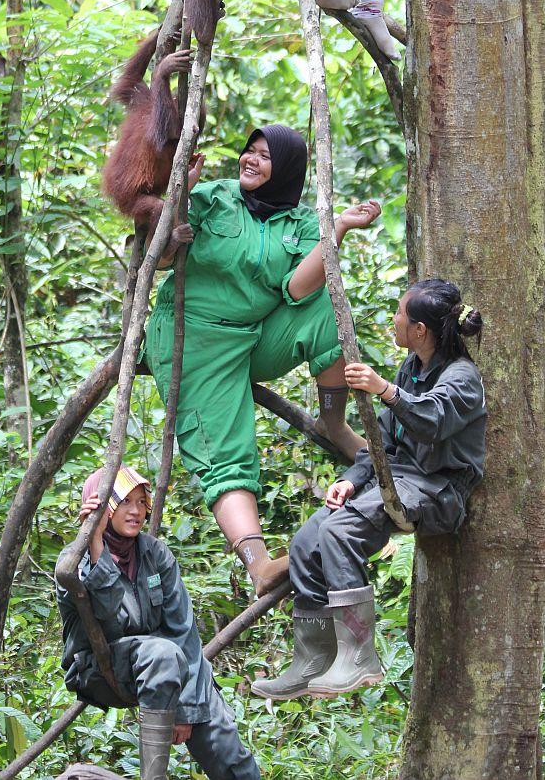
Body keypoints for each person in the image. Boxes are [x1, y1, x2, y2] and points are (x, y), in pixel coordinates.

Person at [143, 123, 382, 597]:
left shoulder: (299, 221)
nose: (250, 160)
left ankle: (334, 424)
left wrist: (338, 229)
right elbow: (161, 258)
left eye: (265, 156)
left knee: (327, 302)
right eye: (248, 151)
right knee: (226, 451)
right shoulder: (213, 197)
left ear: (287, 170)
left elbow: (298, 289)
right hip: (195, 339)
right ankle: (258, 563)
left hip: (254, 339)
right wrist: (180, 192)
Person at [251, 279, 486, 700]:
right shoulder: (409, 370)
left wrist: (385, 391)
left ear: (420, 330)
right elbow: (383, 444)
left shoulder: (462, 377)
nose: (394, 320)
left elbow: (432, 423)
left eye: (400, 313)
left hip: (437, 489)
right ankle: (312, 659)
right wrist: (350, 480)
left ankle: (357, 657)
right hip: (394, 478)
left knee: (340, 534)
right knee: (307, 540)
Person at [55, 464, 260, 780]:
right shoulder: (72, 562)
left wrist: (185, 708)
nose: (136, 511)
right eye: (125, 502)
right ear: (103, 507)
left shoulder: (155, 553)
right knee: (163, 654)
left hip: (163, 668)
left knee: (216, 725)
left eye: (141, 502)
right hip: (101, 669)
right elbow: (107, 618)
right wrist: (95, 544)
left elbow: (182, 631)